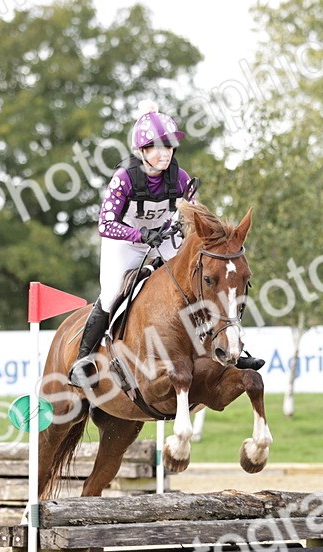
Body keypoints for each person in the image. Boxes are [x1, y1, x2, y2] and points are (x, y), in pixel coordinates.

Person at [68, 102, 265, 388]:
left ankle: (229, 345)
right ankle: (83, 360)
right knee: (110, 295)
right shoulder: (124, 178)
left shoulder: (180, 177)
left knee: (198, 281)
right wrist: (140, 235)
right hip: (124, 242)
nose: (165, 153)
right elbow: (105, 224)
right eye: (158, 148)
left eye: (169, 147)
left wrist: (186, 232)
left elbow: (194, 216)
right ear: (142, 151)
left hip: (163, 238)